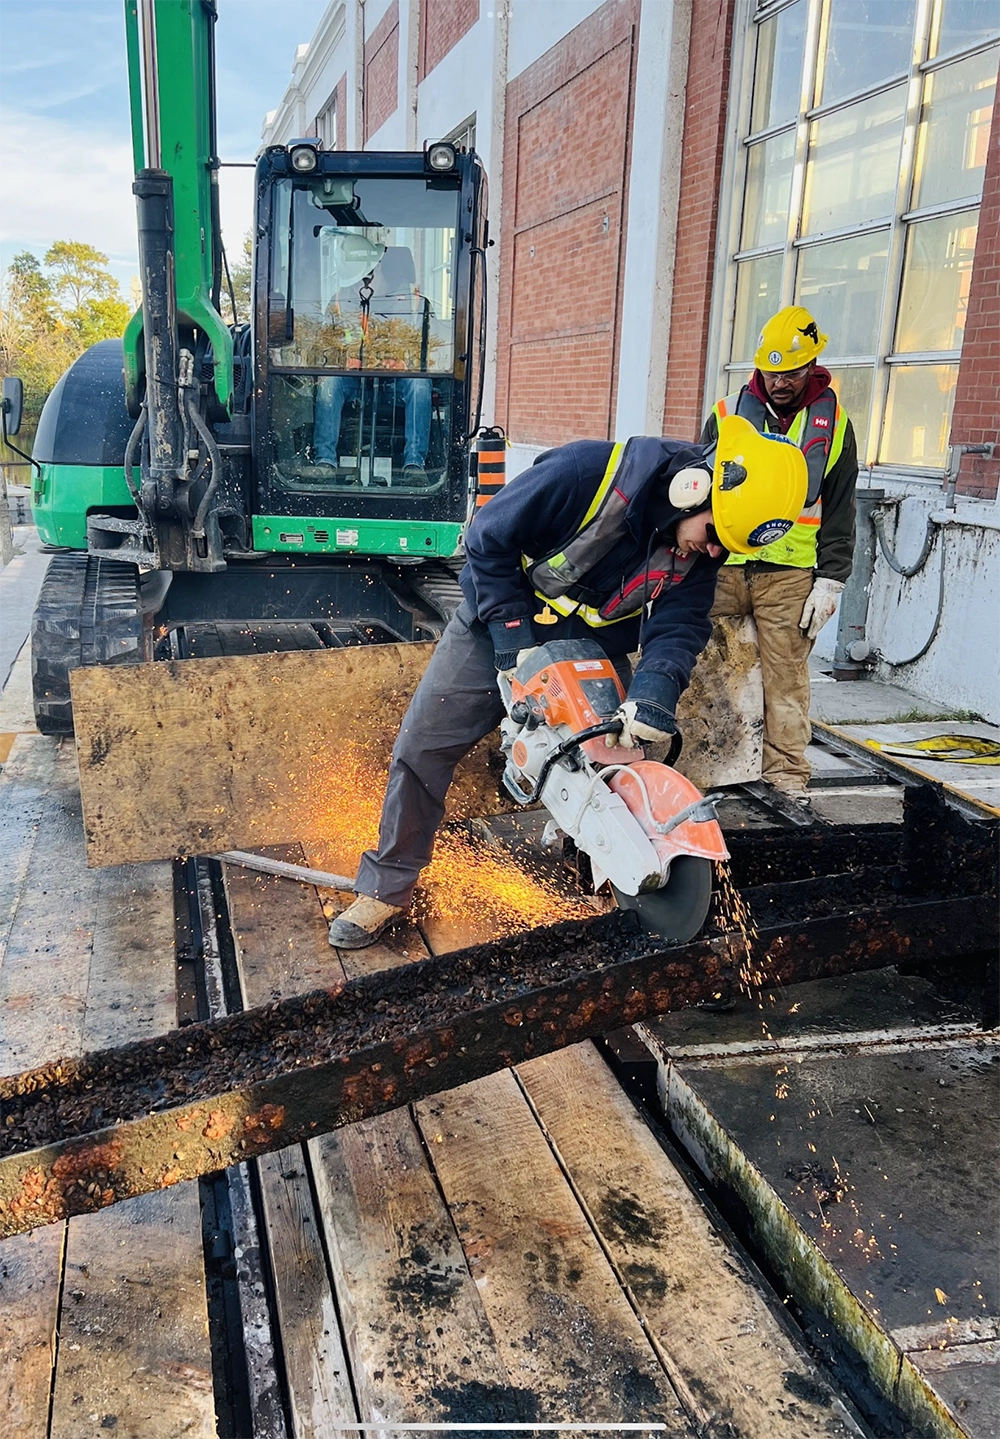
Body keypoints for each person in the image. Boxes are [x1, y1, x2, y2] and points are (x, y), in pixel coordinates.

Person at [328, 417, 807, 949]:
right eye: (715, 535)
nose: (715, 553)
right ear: (691, 489)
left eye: (728, 548)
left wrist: (653, 696)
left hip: (595, 645)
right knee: (424, 748)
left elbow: (681, 623)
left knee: (614, 761)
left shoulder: (699, 545)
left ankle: (601, 884)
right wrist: (513, 639)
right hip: (498, 623)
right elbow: (487, 539)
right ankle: (386, 888)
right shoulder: (585, 473)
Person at [701, 306, 859, 807]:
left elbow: (840, 508)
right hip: (723, 567)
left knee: (785, 680)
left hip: (790, 576)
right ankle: (703, 767)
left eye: (791, 372)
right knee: (707, 671)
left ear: (812, 365)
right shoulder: (726, 414)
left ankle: (786, 776)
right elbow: (698, 489)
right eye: (771, 373)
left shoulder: (834, 426)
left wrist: (831, 579)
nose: (780, 382)